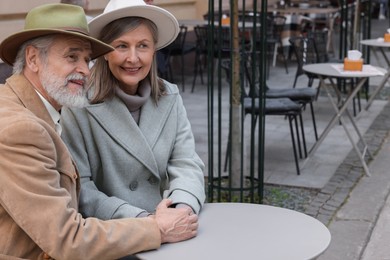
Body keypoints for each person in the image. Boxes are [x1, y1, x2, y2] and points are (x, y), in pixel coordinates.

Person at [0, 3, 198, 259]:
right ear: (33, 59)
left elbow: (187, 162)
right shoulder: (23, 128)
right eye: (72, 57)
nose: (84, 69)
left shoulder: (40, 107)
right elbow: (67, 237)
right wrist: (155, 226)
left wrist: (180, 209)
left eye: (85, 58)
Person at [60, 0, 205, 221]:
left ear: (154, 50)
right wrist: (144, 222)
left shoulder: (170, 97)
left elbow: (186, 163)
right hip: (118, 235)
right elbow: (82, 188)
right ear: (105, 52)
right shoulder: (78, 107)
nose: (133, 58)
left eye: (143, 45)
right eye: (122, 46)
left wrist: (182, 207)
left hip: (172, 221)